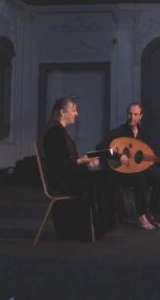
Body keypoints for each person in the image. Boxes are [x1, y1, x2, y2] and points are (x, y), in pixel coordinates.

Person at [42, 96, 117, 240]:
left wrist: (85, 161)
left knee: (107, 177)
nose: (77, 114)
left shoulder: (58, 131)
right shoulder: (55, 133)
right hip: (64, 181)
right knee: (107, 180)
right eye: (74, 110)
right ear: (63, 112)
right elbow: (61, 165)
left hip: (68, 176)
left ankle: (98, 226)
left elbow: (67, 161)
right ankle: (97, 227)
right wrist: (82, 161)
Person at [96, 103, 160, 230]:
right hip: (122, 172)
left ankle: (151, 213)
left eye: (135, 114)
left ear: (141, 116)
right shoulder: (119, 132)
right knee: (141, 179)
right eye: (130, 114)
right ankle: (141, 216)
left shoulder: (143, 134)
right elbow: (100, 147)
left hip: (138, 169)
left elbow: (146, 157)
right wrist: (118, 156)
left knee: (158, 180)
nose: (132, 117)